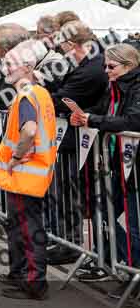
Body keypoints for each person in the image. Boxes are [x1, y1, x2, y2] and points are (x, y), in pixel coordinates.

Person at [71, 43, 140, 299]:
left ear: (128, 66)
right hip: (117, 164)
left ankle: (133, 277)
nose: (107, 72)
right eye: (105, 67)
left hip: (132, 167)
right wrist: (82, 115)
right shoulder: (114, 86)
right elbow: (102, 112)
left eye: (111, 67)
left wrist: (92, 120)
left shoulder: (135, 86)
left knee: (133, 224)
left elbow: (133, 121)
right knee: (105, 214)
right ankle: (118, 263)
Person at [0, 39, 58, 300]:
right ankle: (22, 276)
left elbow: (29, 130)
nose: (4, 67)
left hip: (26, 172)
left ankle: (34, 283)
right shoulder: (38, 92)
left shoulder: (27, 94)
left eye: (10, 63)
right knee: (23, 226)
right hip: (32, 172)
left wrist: (16, 156)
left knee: (27, 228)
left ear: (28, 66)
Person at [46, 21, 107, 266]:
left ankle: (71, 244)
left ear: (72, 44)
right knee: (64, 191)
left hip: (83, 140)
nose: (62, 53)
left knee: (71, 193)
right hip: (74, 137)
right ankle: (66, 241)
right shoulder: (85, 64)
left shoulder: (92, 68)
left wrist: (36, 95)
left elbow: (64, 98)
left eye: (63, 47)